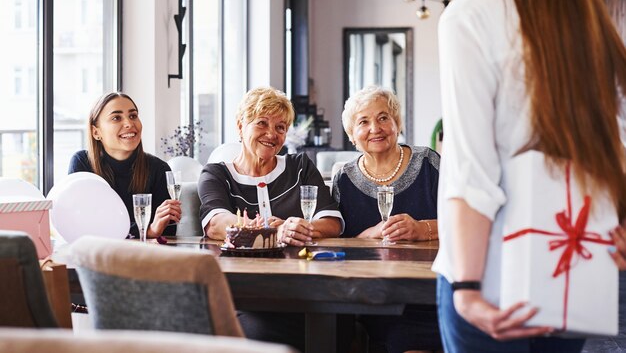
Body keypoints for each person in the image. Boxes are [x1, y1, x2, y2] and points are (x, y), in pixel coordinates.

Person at [433, 0, 626, 352]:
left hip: (489, 273)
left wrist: (466, 286)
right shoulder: (594, 25)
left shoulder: (471, 15)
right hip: (570, 264)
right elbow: (615, 148)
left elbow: (472, 168)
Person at [198, 86, 343, 350]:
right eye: (261, 123)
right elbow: (216, 223)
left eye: (280, 127)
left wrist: (302, 226)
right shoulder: (217, 174)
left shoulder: (300, 167)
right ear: (240, 126)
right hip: (245, 297)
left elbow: (332, 222)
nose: (271, 134)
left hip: (305, 291)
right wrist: (270, 231)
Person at [332, 85, 441, 353]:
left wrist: (420, 229)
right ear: (352, 135)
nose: (375, 128)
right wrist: (367, 236)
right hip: (376, 296)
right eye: (363, 122)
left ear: (397, 123)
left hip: (432, 290)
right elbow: (334, 245)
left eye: (383, 118)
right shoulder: (343, 178)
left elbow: (463, 223)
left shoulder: (428, 162)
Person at [68, 92, 181, 239]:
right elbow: (84, 224)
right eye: (116, 118)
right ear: (96, 132)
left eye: (133, 116)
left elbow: (168, 232)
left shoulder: (159, 169)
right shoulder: (82, 163)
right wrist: (146, 231)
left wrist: (161, 223)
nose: (129, 123)